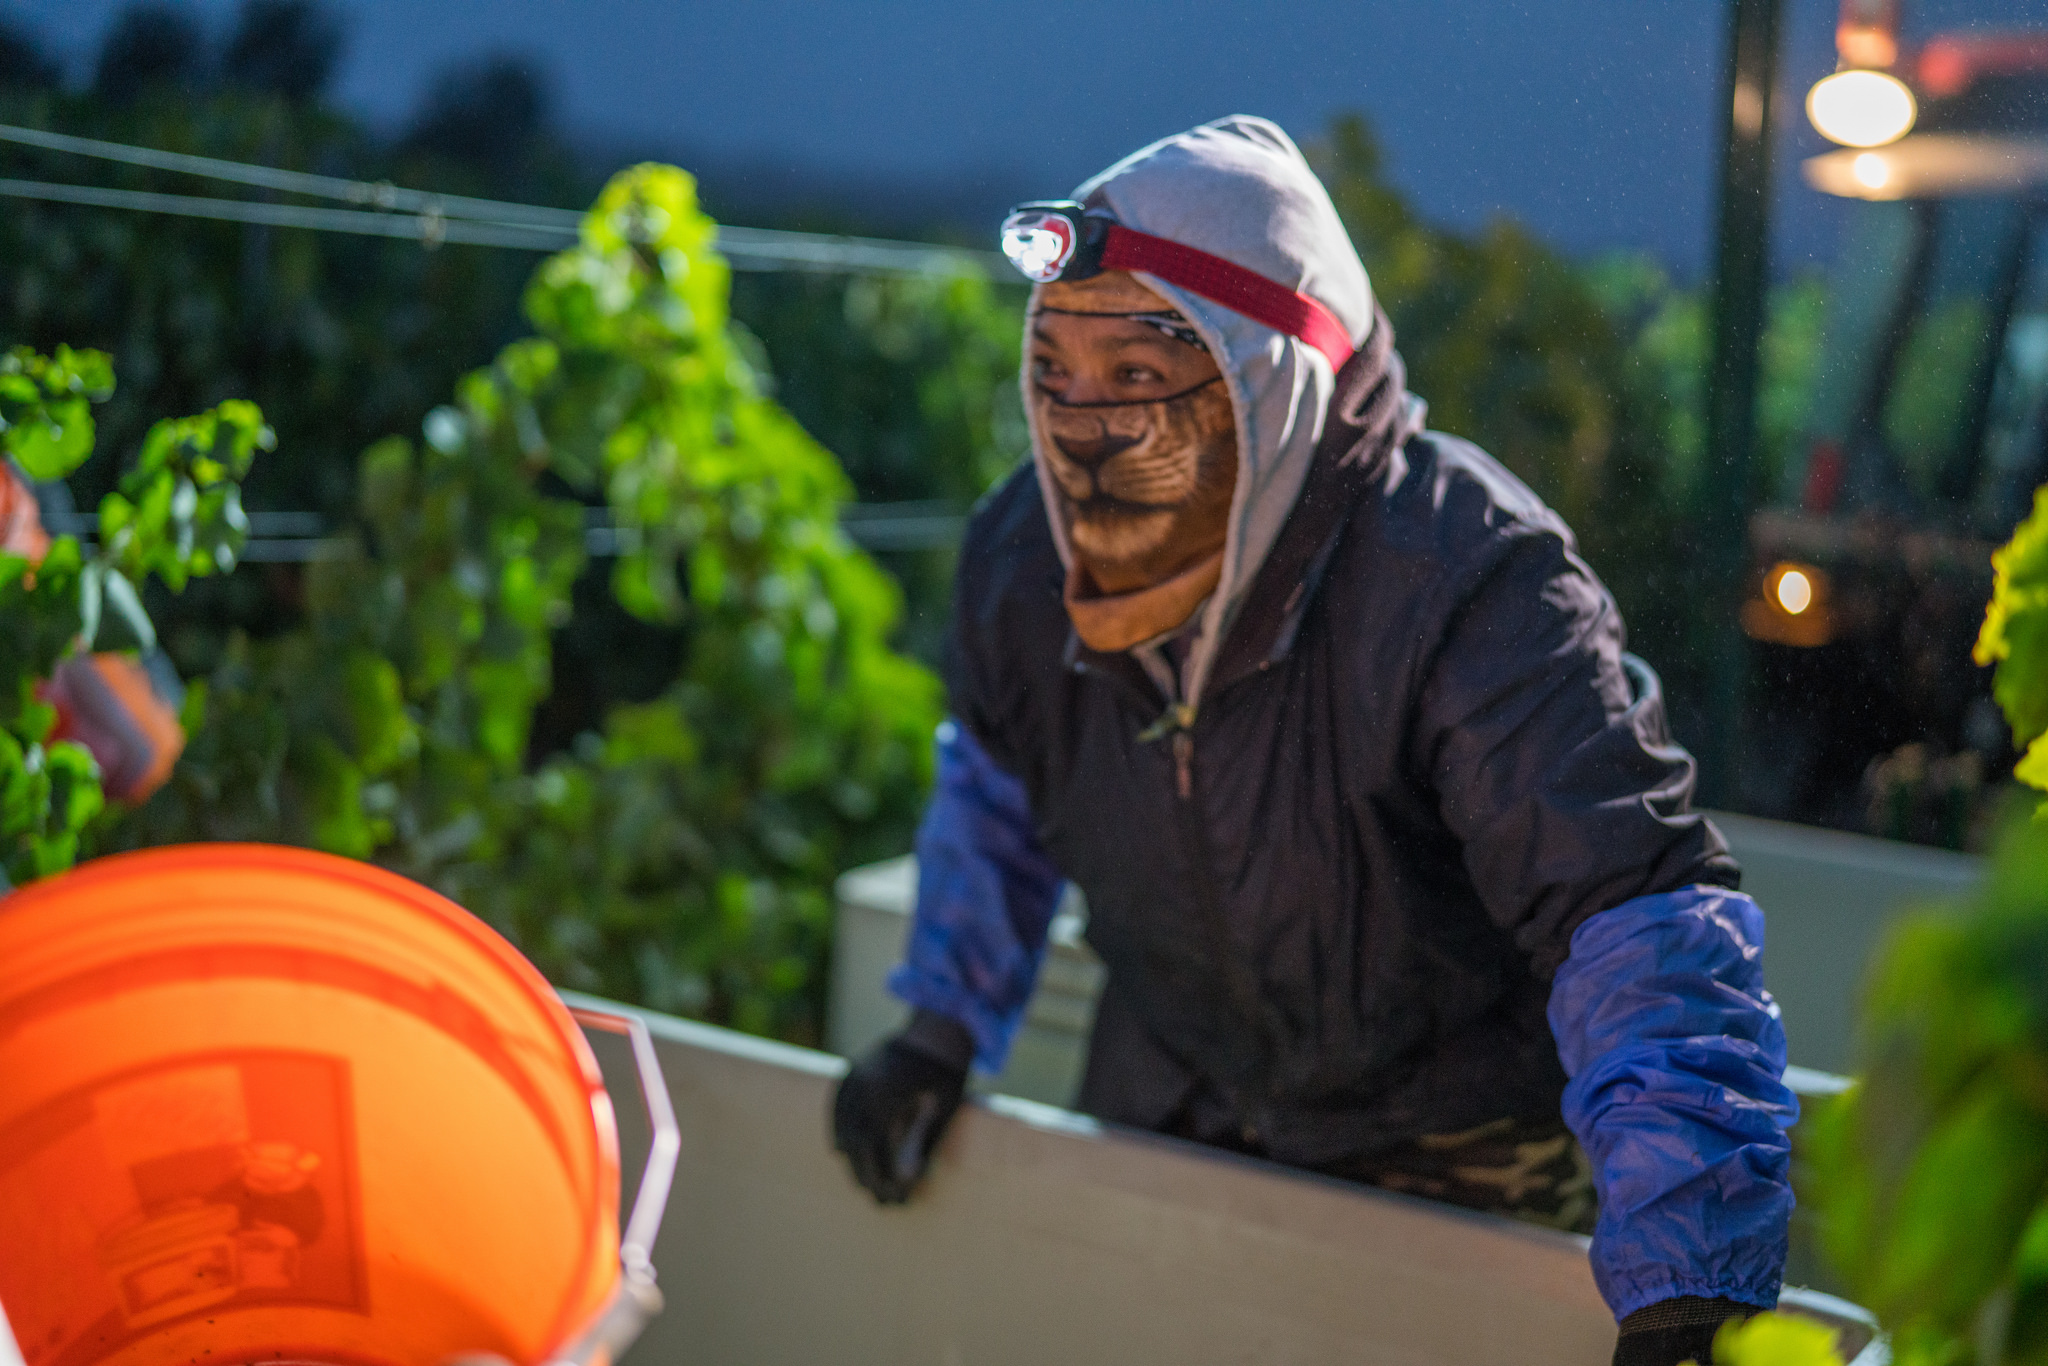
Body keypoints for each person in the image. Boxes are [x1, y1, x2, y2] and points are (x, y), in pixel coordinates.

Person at [831, 117, 1795, 1366]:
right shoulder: (1026, 565)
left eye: (1136, 376)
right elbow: (1004, 798)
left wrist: (1682, 1271)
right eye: (1057, 372)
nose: (1079, 427)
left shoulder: (1461, 579)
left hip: (1454, 1155)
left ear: (1273, 377)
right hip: (1173, 1098)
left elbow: (1628, 910)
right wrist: (937, 1032)